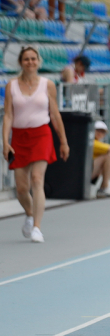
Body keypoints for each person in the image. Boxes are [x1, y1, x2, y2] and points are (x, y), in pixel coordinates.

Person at [1, 46, 71, 243]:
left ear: (38, 62)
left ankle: (37, 228)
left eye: (33, 59)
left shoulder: (47, 85)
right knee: (22, 188)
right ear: (21, 62)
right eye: (26, 59)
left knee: (37, 179)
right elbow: (8, 115)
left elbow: (55, 115)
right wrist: (5, 141)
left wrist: (63, 141)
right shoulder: (12, 86)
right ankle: (30, 214)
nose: (30, 62)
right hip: (19, 137)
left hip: (41, 134)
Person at [90, 120, 110, 198]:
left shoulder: (99, 142)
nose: (100, 133)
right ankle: (104, 188)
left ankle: (103, 187)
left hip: (93, 171)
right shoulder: (91, 141)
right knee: (109, 156)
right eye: (98, 130)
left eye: (103, 132)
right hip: (86, 172)